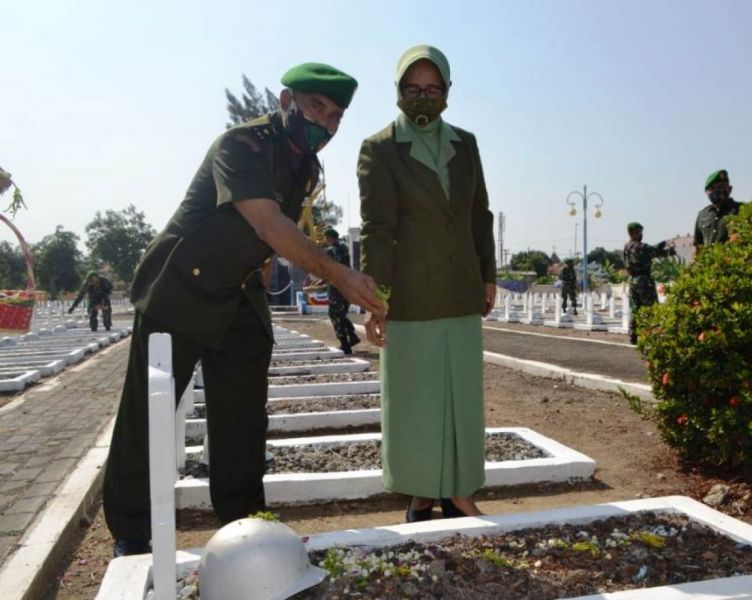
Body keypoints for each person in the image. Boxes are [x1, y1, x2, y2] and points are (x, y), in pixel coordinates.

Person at [103, 63, 385, 557]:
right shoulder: (241, 144)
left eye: (335, 115)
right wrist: (340, 275)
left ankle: (245, 524)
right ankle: (131, 531)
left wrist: (282, 265)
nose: (325, 122)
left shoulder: (304, 165)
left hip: (239, 292)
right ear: (286, 101)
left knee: (243, 417)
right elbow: (267, 222)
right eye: (316, 106)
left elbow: (275, 238)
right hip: (181, 286)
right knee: (149, 415)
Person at [358, 45, 496, 522]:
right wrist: (376, 300)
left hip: (461, 289)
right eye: (413, 88)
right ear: (398, 90)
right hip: (410, 297)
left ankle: (458, 492)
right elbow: (378, 229)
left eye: (433, 89)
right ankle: (420, 494)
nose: (423, 98)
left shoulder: (466, 144)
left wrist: (487, 273)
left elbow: (479, 214)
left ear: (448, 92)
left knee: (461, 397)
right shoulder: (379, 149)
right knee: (415, 399)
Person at [623, 223, 673, 345]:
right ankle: (653, 335)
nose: (642, 235)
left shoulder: (627, 247)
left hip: (633, 281)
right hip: (644, 281)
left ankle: (633, 336)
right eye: (640, 232)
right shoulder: (641, 247)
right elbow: (655, 251)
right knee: (651, 307)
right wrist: (669, 249)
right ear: (634, 232)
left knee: (635, 308)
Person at [323, 227, 360, 354]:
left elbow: (330, 269)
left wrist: (323, 280)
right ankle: (352, 336)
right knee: (342, 314)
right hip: (346, 286)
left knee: (334, 315)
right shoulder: (344, 248)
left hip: (336, 287)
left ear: (328, 238)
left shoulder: (330, 251)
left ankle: (345, 344)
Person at [694, 169, 743, 256]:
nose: (716, 191)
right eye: (712, 188)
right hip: (709, 264)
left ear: (729, 189)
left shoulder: (742, 209)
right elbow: (698, 248)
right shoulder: (702, 215)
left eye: (721, 187)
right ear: (706, 192)